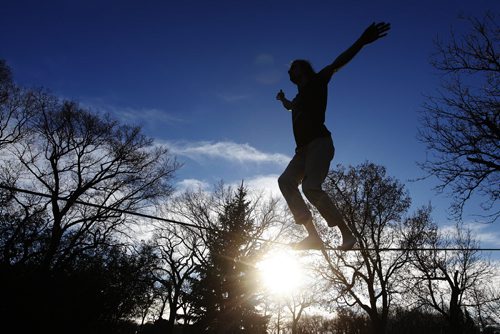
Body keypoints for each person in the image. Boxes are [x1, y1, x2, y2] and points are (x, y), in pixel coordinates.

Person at [276, 22, 391, 250]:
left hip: (320, 142)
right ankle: (313, 236)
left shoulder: (318, 81)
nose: (290, 71)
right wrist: (283, 101)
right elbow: (291, 106)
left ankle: (347, 233)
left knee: (310, 187)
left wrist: (361, 41)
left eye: (294, 67)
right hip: (302, 150)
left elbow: (339, 62)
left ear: (304, 70)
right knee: (286, 181)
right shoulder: (298, 99)